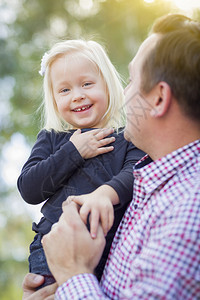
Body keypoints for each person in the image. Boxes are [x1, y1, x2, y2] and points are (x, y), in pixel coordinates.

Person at [23, 13, 200, 299]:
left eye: (130, 80)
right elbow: (29, 186)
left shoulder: (187, 212)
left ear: (159, 99)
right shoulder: (154, 181)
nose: (125, 91)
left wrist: (72, 277)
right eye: (65, 90)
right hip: (49, 250)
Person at [17, 39, 144, 288]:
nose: (78, 95)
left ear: (107, 86)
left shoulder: (127, 136)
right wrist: (74, 150)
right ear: (54, 100)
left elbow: (135, 173)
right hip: (53, 247)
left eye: (87, 84)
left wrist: (104, 194)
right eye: (64, 90)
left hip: (111, 251)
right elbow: (29, 188)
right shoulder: (53, 138)